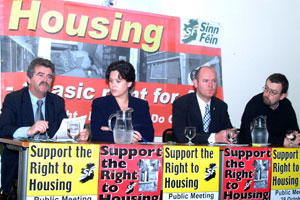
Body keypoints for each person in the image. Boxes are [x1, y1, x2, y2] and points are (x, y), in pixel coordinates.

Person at [0, 58, 89, 197]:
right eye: (40, 75)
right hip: (20, 165)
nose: (45, 80)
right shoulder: (14, 99)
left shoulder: (57, 102)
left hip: (52, 166)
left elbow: (64, 131)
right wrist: (28, 131)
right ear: (29, 78)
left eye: (49, 77)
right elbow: (3, 128)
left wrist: (78, 134)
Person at [90, 60, 154, 143]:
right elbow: (98, 134)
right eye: (111, 81)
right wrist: (127, 137)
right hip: (109, 153)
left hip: (135, 153)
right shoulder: (99, 104)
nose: (113, 85)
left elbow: (149, 135)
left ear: (129, 83)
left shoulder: (141, 105)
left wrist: (113, 132)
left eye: (118, 81)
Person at [172, 66, 233, 144]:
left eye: (214, 81)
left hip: (215, 155)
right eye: (206, 81)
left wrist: (231, 135)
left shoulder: (221, 106)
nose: (211, 85)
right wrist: (214, 137)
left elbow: (229, 133)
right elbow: (181, 136)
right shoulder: (182, 104)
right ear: (196, 83)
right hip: (189, 154)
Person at [238, 73, 300, 146]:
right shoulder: (254, 104)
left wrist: (294, 138)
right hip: (255, 153)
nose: (266, 94)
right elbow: (248, 136)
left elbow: (293, 132)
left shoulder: (286, 105)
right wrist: (281, 141)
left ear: (282, 96)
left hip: (279, 154)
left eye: (273, 92)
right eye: (266, 88)